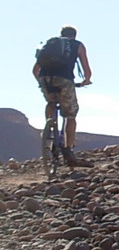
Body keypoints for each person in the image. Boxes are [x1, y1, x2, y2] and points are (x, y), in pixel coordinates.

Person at [32, 25, 93, 166]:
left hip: (45, 79)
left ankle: (48, 129)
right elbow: (87, 71)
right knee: (70, 115)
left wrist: (41, 83)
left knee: (51, 102)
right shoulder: (77, 45)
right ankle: (68, 150)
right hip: (64, 80)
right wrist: (86, 81)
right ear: (74, 35)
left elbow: (35, 70)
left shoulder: (49, 46)